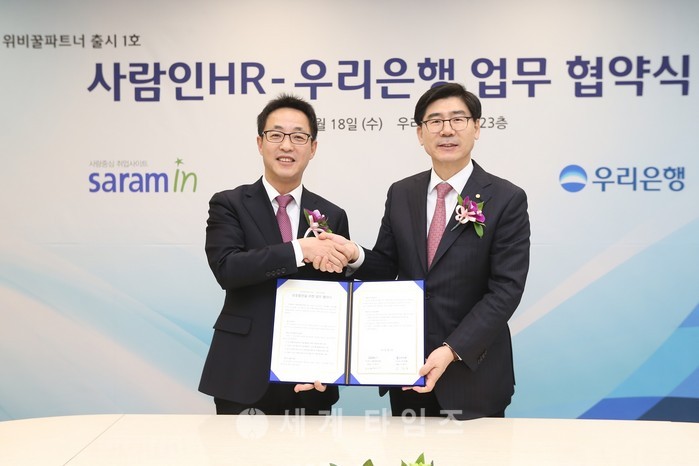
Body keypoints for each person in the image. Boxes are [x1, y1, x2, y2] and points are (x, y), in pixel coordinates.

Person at [322, 82, 530, 420]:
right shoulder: (402, 193)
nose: (446, 130)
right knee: (409, 448)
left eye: (457, 119)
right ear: (420, 133)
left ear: (477, 127)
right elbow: (387, 265)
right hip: (408, 369)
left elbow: (506, 290)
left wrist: (451, 350)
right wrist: (354, 254)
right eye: (435, 121)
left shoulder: (506, 198)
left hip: (474, 373)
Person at [199, 94, 354, 415]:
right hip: (242, 370)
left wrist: (331, 360)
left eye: (298, 137)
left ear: (313, 147)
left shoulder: (332, 214)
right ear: (260, 143)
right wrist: (300, 249)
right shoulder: (229, 204)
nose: (286, 145)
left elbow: (338, 297)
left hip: (310, 377)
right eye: (276, 135)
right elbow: (228, 269)